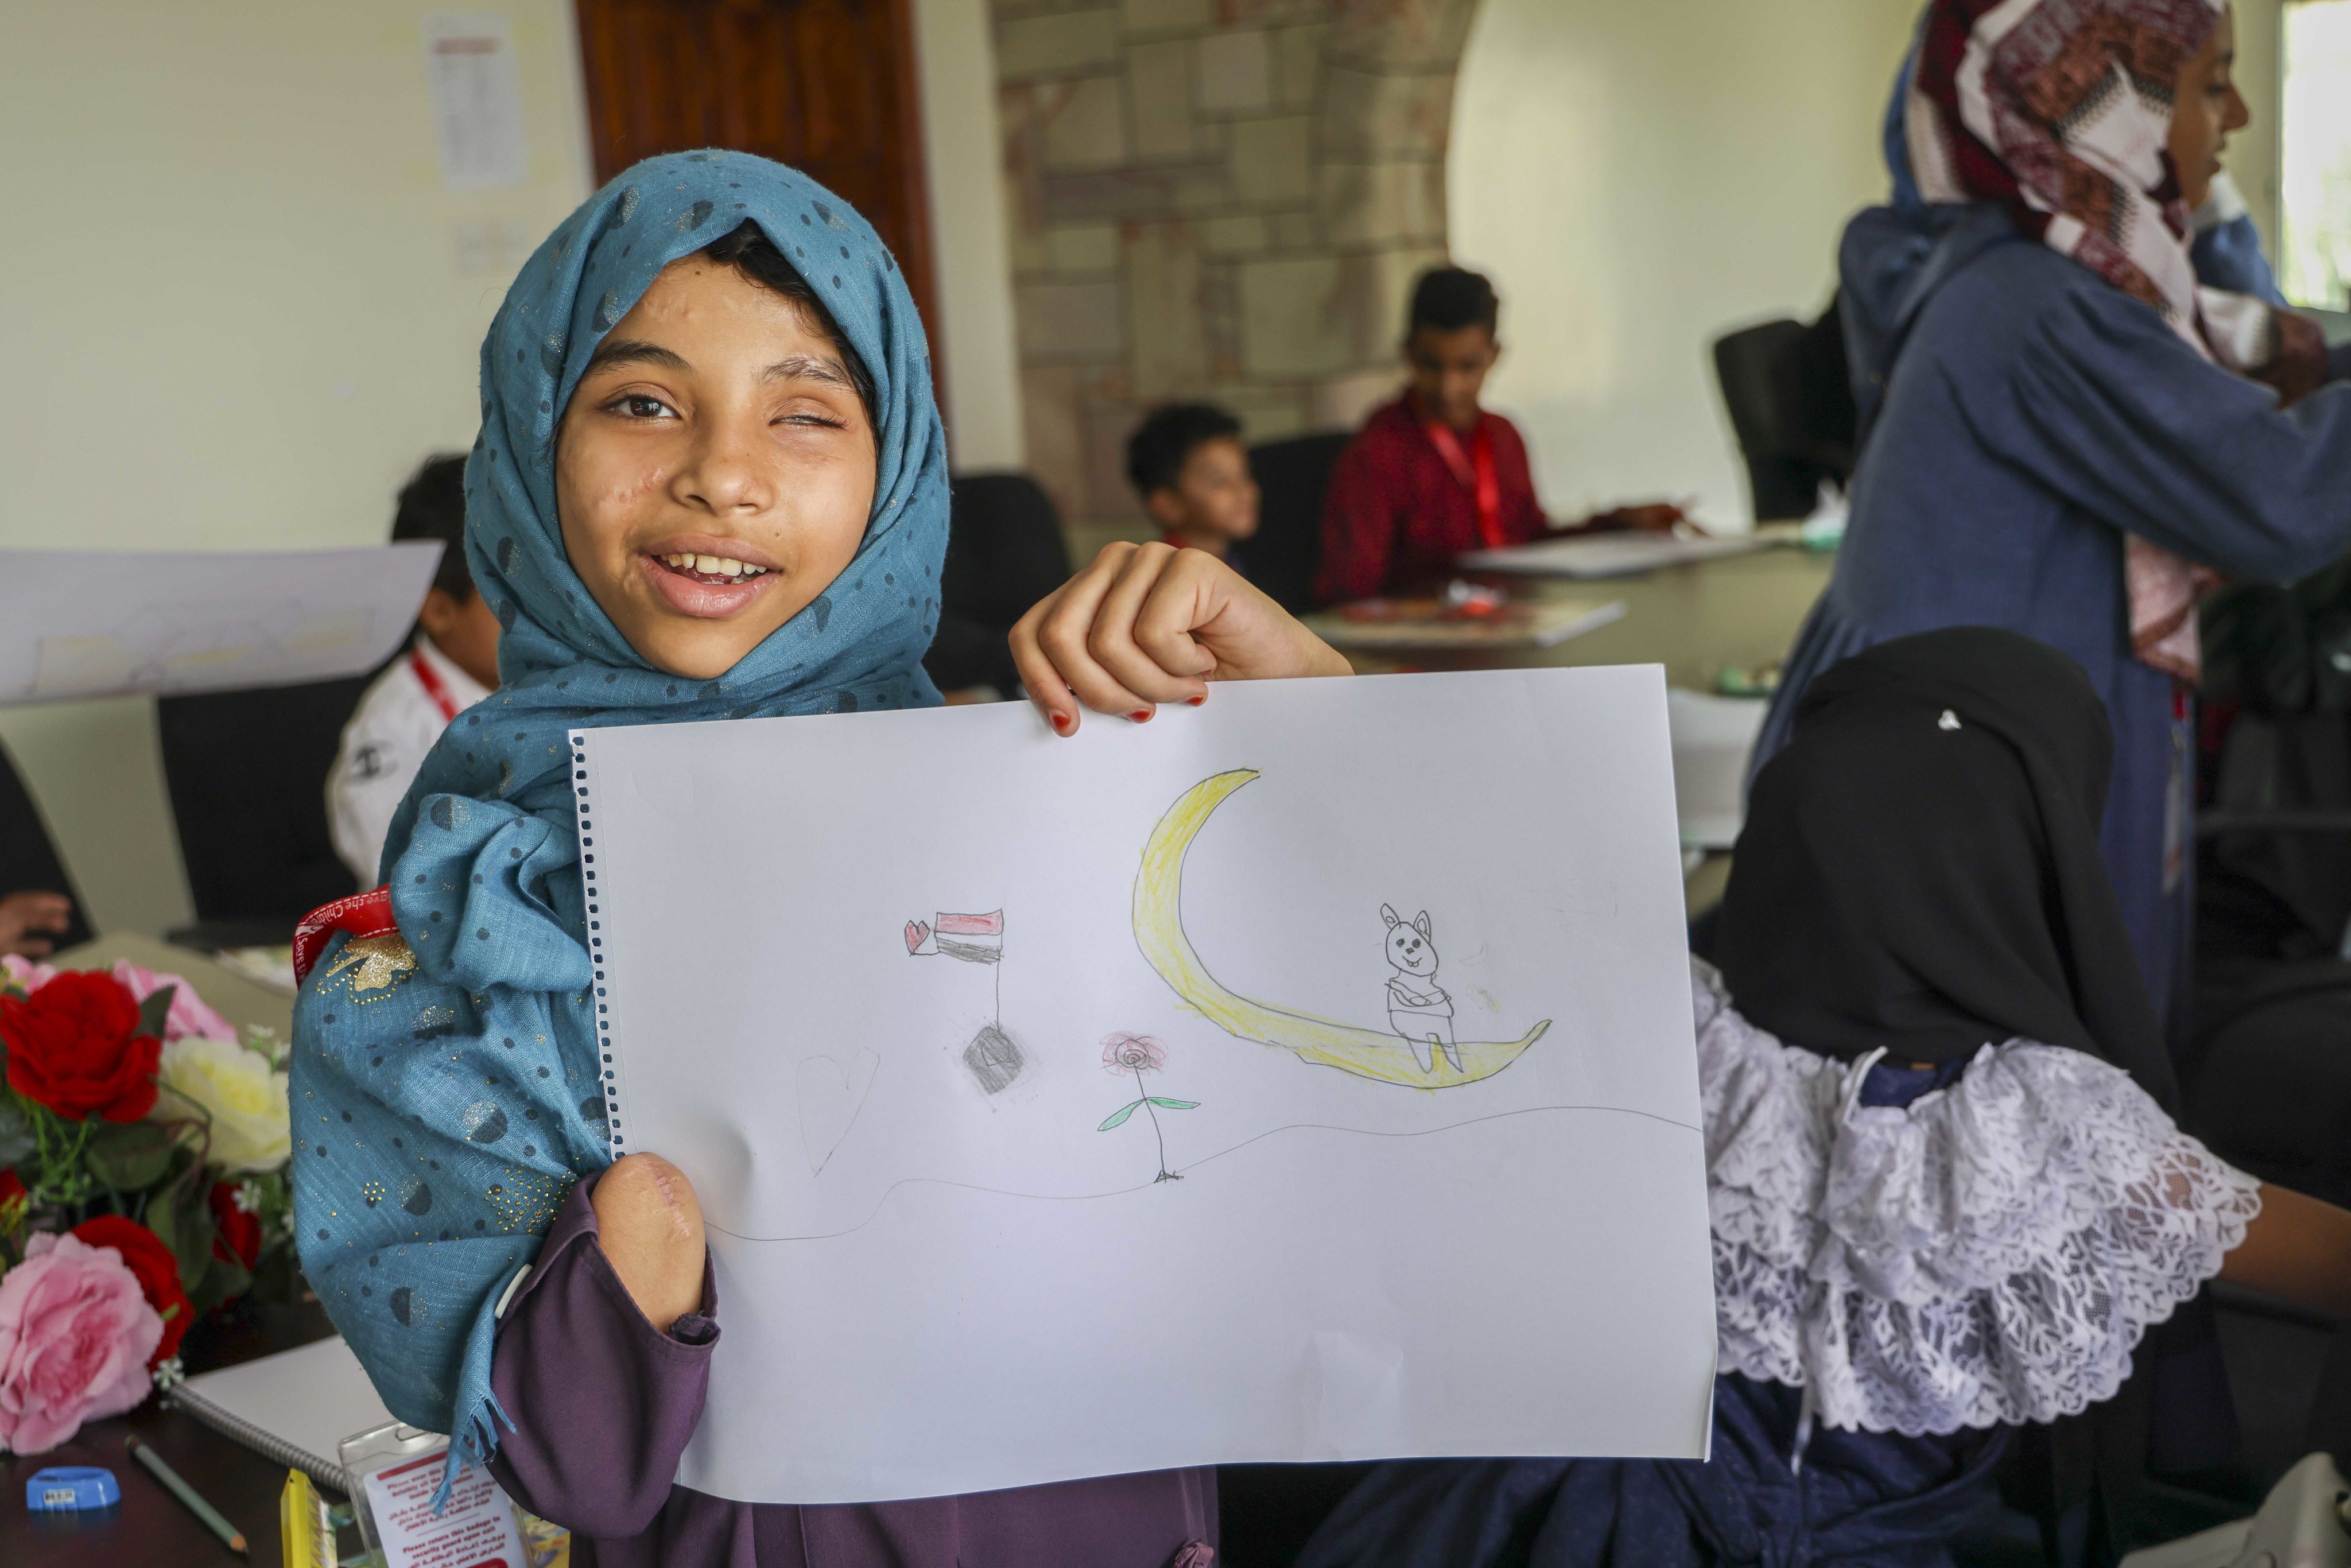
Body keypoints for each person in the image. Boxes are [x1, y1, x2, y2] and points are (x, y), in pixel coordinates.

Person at [290, 153, 1346, 1568]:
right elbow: (573, 1467)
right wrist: (628, 1255)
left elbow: (1387, 1085)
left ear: (894, 464)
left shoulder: (1061, 803)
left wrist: (1311, 719)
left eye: (804, 413)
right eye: (641, 401)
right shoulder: (468, 904)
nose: (721, 476)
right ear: (532, 440)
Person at [1155, 627, 2351, 1568]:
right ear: (2039, 857)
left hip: (1537, 1518)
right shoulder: (2056, 1130)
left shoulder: (1660, 1025)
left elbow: (1430, 869)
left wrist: (1310, 685)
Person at [1760, 0, 2351, 1032]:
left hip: (1986, 744)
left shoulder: (2056, 268)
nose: (2240, 116)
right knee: (2035, 1088)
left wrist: (2196, 203)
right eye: (2211, 85)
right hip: (1954, 789)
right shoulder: (2038, 307)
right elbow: (2278, 494)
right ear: (2111, 111)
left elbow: (2237, 365)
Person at [1312, 266, 1553, 604]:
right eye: (1432, 365)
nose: (1448, 388)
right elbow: (1349, 594)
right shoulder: (1376, 453)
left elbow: (1533, 542)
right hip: (1427, 629)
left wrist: (1614, 525)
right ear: (1408, 352)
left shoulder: (1505, 437)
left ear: (1494, 355)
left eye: (1468, 366)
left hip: (1512, 616)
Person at [326, 455, 503, 887]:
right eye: (512, 595)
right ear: (440, 611)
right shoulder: (390, 732)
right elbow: (409, 884)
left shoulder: (561, 684)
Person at [1126, 403, 1261, 568]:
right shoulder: (1162, 575)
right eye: (1219, 481)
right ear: (1168, 504)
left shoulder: (1238, 563)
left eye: (1244, 475)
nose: (1242, 491)